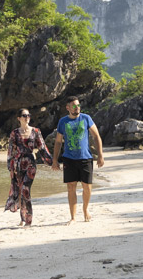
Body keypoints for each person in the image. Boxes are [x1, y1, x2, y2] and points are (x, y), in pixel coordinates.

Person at [52, 96, 104, 225]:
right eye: (74, 106)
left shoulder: (86, 118)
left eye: (78, 105)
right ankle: (73, 217)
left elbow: (96, 136)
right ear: (68, 107)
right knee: (71, 188)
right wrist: (54, 160)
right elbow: (58, 142)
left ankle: (85, 209)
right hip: (69, 159)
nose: (77, 108)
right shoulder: (63, 122)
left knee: (87, 187)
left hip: (85, 157)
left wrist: (100, 155)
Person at [5, 108, 53, 227]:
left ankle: (28, 219)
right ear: (19, 118)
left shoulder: (36, 131)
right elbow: (11, 151)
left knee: (26, 189)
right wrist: (10, 166)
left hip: (30, 163)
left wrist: (52, 162)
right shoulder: (14, 133)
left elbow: (42, 148)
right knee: (21, 190)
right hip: (18, 164)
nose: (27, 117)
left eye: (28, 115)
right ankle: (23, 217)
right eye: (24, 115)